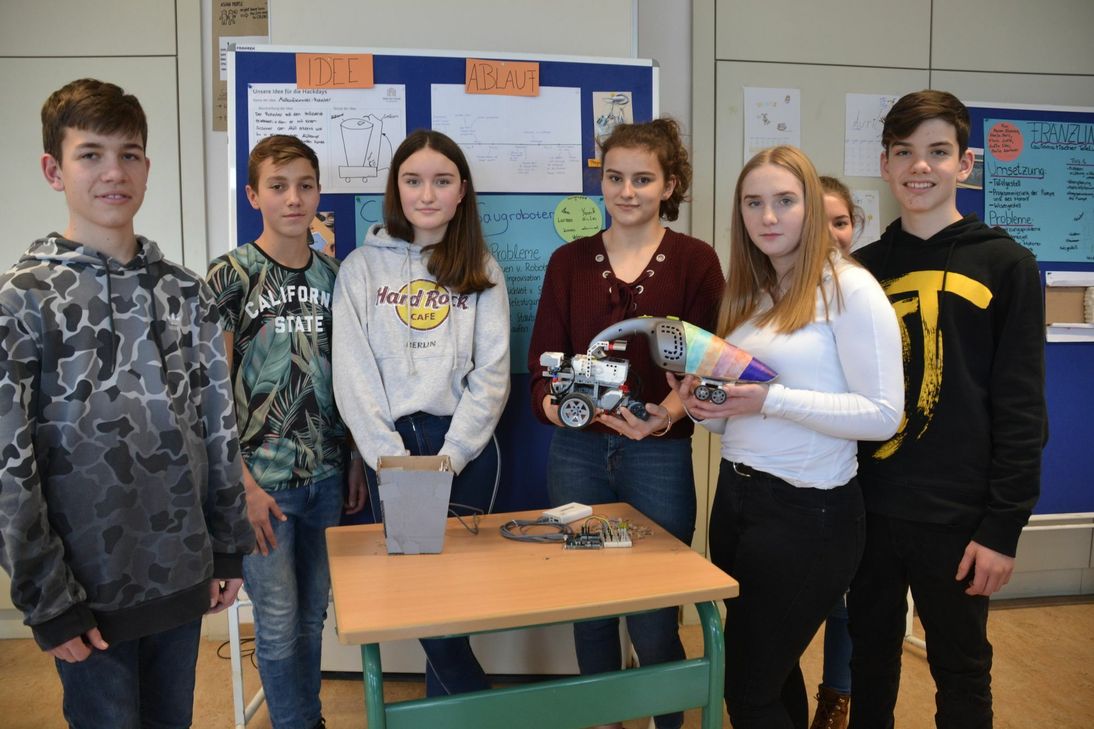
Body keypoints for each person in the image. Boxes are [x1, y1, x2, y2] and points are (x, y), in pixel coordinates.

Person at [0, 78, 254, 729]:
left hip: (180, 575)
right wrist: (46, 599)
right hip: (86, 590)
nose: (114, 171)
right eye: (92, 154)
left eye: (130, 153)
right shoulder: (21, 300)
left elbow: (218, 428)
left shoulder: (185, 292)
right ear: (54, 169)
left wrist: (227, 548)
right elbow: (9, 466)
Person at [670, 145, 904, 729]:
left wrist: (770, 398)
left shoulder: (850, 289)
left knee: (746, 686)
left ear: (810, 208)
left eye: (784, 201)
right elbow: (735, 419)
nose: (768, 217)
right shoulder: (749, 296)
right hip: (739, 498)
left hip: (810, 511)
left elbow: (881, 415)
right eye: (754, 203)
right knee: (771, 674)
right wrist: (704, 406)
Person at [847, 90, 1047, 729]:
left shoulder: (1007, 264)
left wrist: (1002, 527)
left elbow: (1021, 406)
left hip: (958, 519)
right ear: (884, 164)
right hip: (869, 506)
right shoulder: (860, 271)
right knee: (869, 662)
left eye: (938, 152)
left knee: (962, 670)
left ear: (965, 164)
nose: (919, 167)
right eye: (904, 152)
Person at [528, 118, 724, 729]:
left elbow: (709, 370)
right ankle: (604, 719)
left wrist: (666, 415)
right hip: (578, 454)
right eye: (614, 177)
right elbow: (541, 368)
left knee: (655, 613)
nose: (627, 191)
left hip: (659, 455)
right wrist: (561, 406)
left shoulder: (695, 262)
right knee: (591, 608)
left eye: (643, 178)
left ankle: (666, 719)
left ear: (670, 184)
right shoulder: (568, 262)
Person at [332, 129, 510, 697]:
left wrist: (452, 456)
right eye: (413, 180)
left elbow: (493, 372)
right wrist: (391, 460)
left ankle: (449, 709)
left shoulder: (481, 266)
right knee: (422, 599)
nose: (426, 194)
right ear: (396, 189)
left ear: (462, 192)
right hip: (392, 445)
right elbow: (353, 374)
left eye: (441, 181)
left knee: (450, 599)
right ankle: (476, 705)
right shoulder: (361, 268)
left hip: (465, 447)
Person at [206, 134, 366, 729]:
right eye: (278, 187)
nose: (293, 198)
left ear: (319, 193)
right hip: (262, 486)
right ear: (254, 195)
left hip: (325, 476)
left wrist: (351, 459)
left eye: (304, 185)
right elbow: (211, 392)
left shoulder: (336, 276)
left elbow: (346, 376)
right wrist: (239, 484)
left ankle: (304, 718)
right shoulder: (231, 275)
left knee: (310, 617)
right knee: (274, 621)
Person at [807, 174, 867, 729]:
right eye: (816, 220)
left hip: (872, 465)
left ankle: (836, 698)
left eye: (840, 221)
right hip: (813, 470)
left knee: (850, 600)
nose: (829, 234)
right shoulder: (780, 294)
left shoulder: (865, 290)